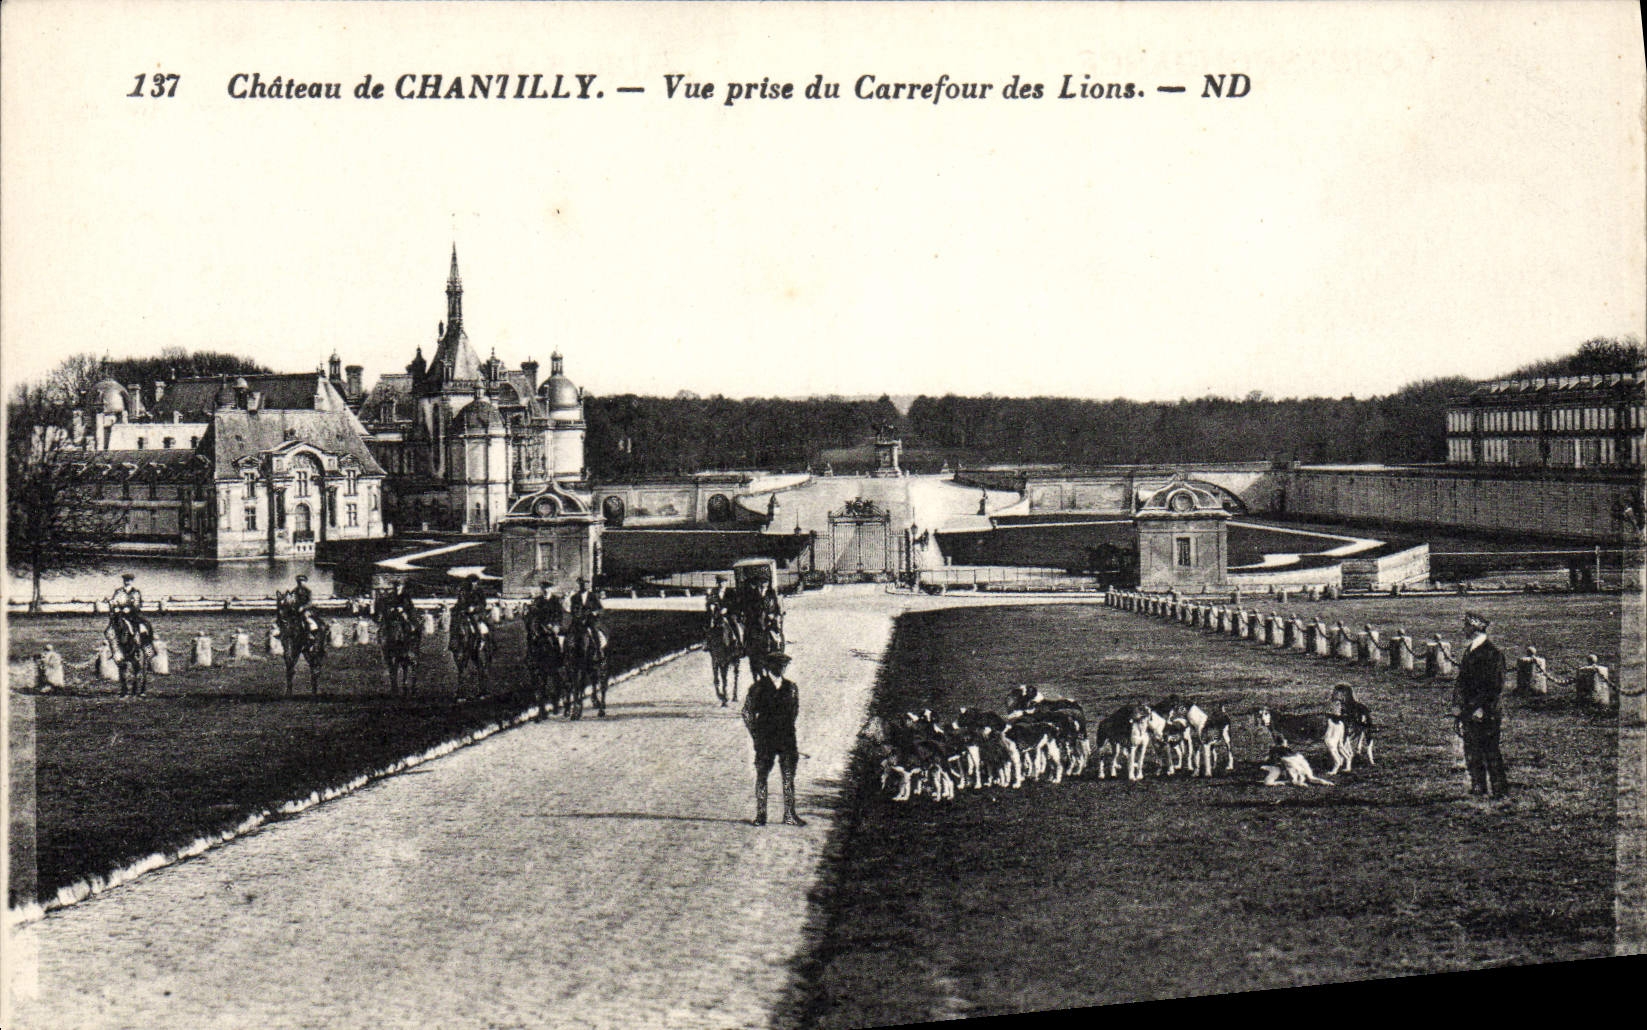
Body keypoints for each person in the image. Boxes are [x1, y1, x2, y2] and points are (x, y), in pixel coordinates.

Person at [742, 651, 805, 826]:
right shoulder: (757, 688)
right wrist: (755, 732)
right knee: (762, 775)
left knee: (788, 776)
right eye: (778, 664)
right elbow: (747, 712)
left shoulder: (792, 688)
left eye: (784, 664)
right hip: (765, 739)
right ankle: (761, 815)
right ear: (769, 666)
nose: (782, 667)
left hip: (786, 738)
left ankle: (789, 814)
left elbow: (794, 711)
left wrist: (785, 727)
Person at [1454, 611, 1508, 799]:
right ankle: (1479, 786)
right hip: (1470, 710)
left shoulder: (1492, 653)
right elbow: (1462, 681)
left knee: (1490, 750)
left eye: (1467, 626)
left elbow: (1494, 686)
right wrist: (1459, 706)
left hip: (1486, 712)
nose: (1464, 629)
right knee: (1472, 750)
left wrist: (1479, 708)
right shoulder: (1470, 650)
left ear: (1476, 628)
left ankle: (1499, 790)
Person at [108, 573, 154, 649]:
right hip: (120, 614)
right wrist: (114, 606)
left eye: (129, 580)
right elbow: (114, 601)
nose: (127, 582)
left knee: (144, 625)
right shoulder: (118, 591)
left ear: (132, 581)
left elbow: (138, 604)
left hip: (133, 614)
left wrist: (130, 609)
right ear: (123, 581)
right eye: (125, 580)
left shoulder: (136, 592)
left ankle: (144, 644)